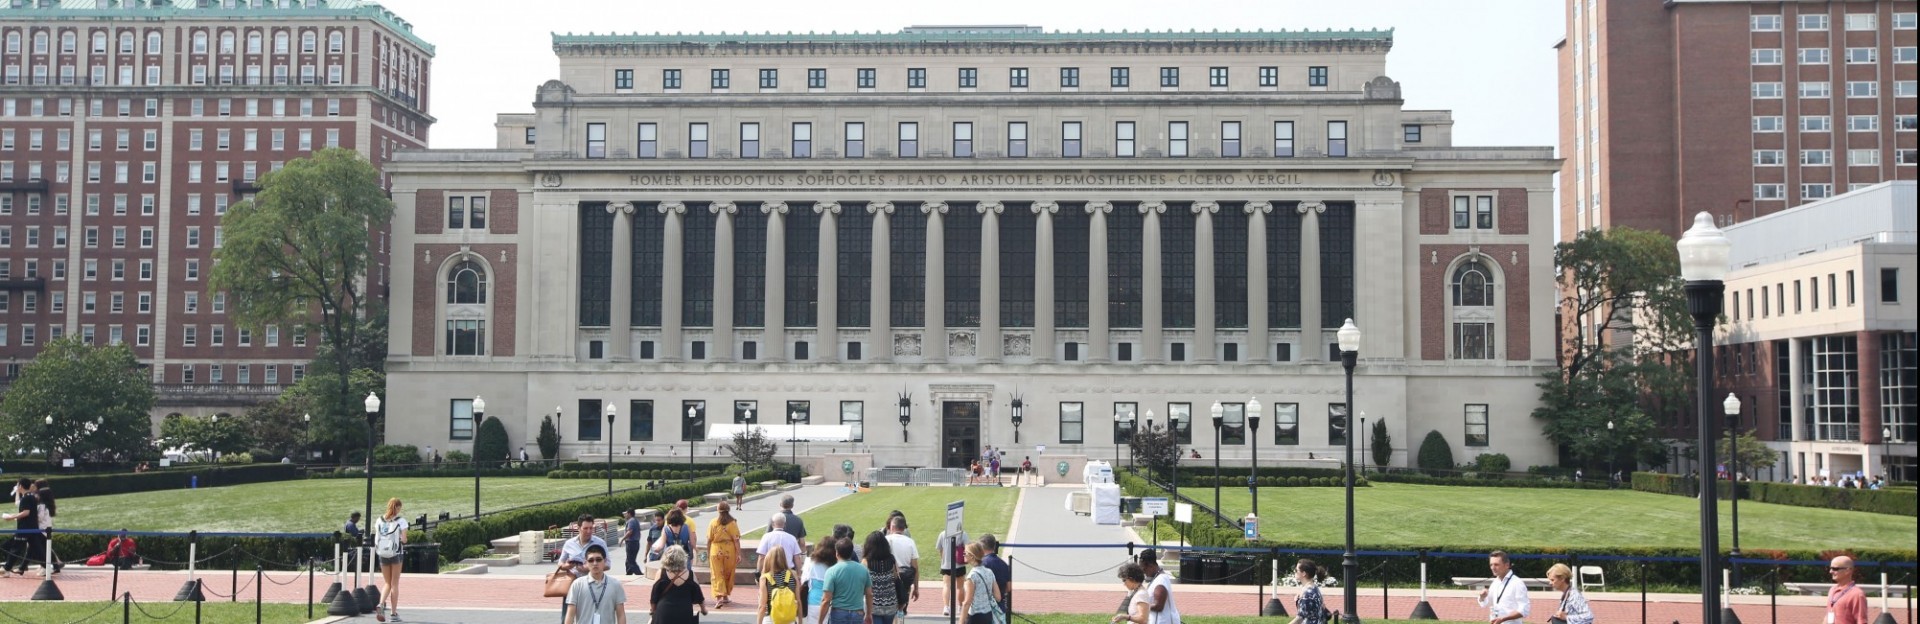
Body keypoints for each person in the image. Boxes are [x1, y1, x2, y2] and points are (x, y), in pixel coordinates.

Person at [564, 544, 627, 624]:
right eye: (591, 560)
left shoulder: (615, 584)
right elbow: (570, 614)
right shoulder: (577, 584)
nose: (595, 563)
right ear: (585, 563)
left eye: (598, 559)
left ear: (605, 561)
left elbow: (621, 614)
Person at [373, 498, 410, 622]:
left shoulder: (379, 520)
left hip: (382, 553)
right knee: (394, 583)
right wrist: (401, 538)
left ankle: (381, 603)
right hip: (396, 553)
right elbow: (404, 539)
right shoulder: (401, 521)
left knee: (387, 583)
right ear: (398, 508)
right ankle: (394, 614)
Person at [820, 538, 873, 624]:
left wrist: (820, 621)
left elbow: (826, 600)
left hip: (838, 614)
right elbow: (869, 594)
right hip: (857, 613)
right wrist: (869, 614)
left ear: (837, 553)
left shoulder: (832, 571)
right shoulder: (863, 570)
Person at [651, 545, 709, 624]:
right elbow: (699, 596)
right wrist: (703, 609)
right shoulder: (690, 574)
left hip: (664, 612)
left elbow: (654, 595)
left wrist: (653, 611)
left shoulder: (661, 573)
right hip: (684, 612)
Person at [1477, 550, 1529, 624]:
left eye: (1496, 564)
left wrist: (1503, 619)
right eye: (1491, 565)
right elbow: (1488, 603)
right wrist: (1482, 597)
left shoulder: (1517, 583)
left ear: (1507, 565)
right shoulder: (1495, 582)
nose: (1493, 568)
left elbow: (1524, 610)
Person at [2, 478, 40, 577]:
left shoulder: (26, 498)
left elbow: (26, 513)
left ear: (20, 486)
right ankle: (50, 565)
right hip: (33, 528)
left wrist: (11, 517)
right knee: (37, 548)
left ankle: (6, 569)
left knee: (16, 548)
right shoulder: (31, 497)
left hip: (25, 528)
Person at [708, 501, 743, 608]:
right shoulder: (732, 523)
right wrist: (738, 554)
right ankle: (725, 596)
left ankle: (719, 598)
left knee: (717, 574)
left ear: (718, 510)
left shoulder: (713, 522)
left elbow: (709, 539)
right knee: (728, 573)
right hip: (729, 551)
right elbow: (736, 540)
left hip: (716, 550)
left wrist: (709, 551)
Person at [935, 517, 971, 618]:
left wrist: (943, 559)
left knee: (946, 585)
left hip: (946, 564)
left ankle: (946, 607)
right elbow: (968, 547)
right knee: (960, 587)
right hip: (959, 564)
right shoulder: (963, 534)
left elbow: (940, 549)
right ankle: (960, 606)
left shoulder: (942, 534)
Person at [884, 516, 920, 616]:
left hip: (889, 580)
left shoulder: (885, 540)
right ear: (904, 528)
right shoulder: (910, 542)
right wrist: (916, 588)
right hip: (905, 581)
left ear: (892, 527)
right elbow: (915, 568)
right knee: (901, 610)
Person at [863, 532, 901, 624]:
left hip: (873, 605)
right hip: (891, 603)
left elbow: (862, 583)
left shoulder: (866, 562)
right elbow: (896, 577)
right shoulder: (891, 559)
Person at [960, 542, 1001, 624]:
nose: (963, 555)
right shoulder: (989, 572)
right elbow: (998, 597)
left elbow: (967, 602)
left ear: (972, 556)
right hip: (988, 614)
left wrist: (961, 621)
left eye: (965, 553)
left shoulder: (972, 576)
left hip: (975, 616)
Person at [759, 544, 800, 624]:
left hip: (771, 619)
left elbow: (762, 606)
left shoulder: (765, 578)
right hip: (789, 619)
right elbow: (798, 601)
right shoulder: (793, 574)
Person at [1137, 549, 1179, 624]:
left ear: (1150, 566)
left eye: (1144, 570)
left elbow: (1159, 606)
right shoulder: (1158, 578)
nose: (1144, 573)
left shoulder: (1160, 581)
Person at [801, 540, 836, 622]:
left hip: (812, 602)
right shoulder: (835, 565)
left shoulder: (810, 562)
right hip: (830, 602)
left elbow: (803, 581)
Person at [1827, 555, 1869, 624]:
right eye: (1831, 568)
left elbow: (1861, 620)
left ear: (1848, 570)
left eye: (1835, 569)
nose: (1830, 571)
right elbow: (1828, 616)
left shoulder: (1857, 594)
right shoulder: (1832, 590)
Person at [1286, 559, 1329, 624]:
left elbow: (1300, 618)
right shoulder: (1314, 588)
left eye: (1296, 570)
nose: (1295, 572)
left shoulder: (1307, 594)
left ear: (1304, 573)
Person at [979, 534, 1011, 615]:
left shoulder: (982, 564)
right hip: (1000, 607)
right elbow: (1009, 587)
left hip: (985, 608)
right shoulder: (1004, 564)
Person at [620, 510, 645, 576]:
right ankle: (628, 574)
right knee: (628, 561)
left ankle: (640, 575)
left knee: (631, 562)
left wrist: (622, 539)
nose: (625, 515)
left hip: (631, 543)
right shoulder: (636, 521)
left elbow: (629, 532)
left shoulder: (631, 521)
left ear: (629, 514)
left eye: (626, 514)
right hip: (635, 543)